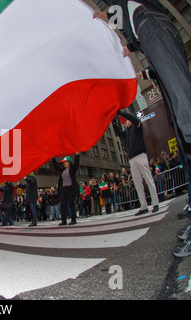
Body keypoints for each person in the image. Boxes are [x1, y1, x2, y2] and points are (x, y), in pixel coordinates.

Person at [94, 0, 191, 218]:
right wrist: (131, 46)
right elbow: (121, 15)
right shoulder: (132, 20)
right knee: (179, 118)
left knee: (185, 113)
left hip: (149, 22)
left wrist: (107, 17)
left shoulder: (136, 124)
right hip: (146, 30)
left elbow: (119, 10)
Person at [113, 110, 159, 215]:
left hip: (141, 155)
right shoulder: (127, 132)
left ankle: (155, 203)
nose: (126, 122)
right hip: (132, 159)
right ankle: (143, 206)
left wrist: (121, 112)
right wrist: (114, 122)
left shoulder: (137, 127)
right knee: (137, 183)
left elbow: (134, 119)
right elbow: (119, 133)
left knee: (148, 179)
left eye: (127, 120)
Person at [52, 153, 80, 226]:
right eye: (63, 162)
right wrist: (53, 158)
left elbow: (76, 163)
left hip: (70, 188)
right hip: (64, 189)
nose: (64, 163)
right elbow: (56, 167)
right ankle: (63, 220)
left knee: (71, 204)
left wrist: (77, 155)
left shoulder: (72, 169)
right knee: (63, 205)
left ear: (69, 162)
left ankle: (73, 219)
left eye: (65, 162)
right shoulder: (62, 170)